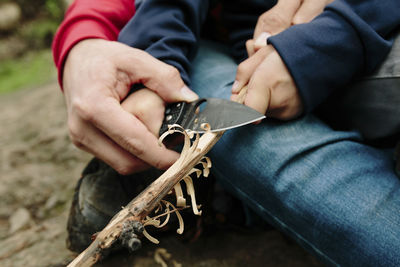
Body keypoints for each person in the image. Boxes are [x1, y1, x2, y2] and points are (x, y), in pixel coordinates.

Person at [53, 0, 400, 265]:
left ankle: (229, 197)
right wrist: (146, 57)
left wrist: (332, 37)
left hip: (364, 31)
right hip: (230, 62)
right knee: (297, 171)